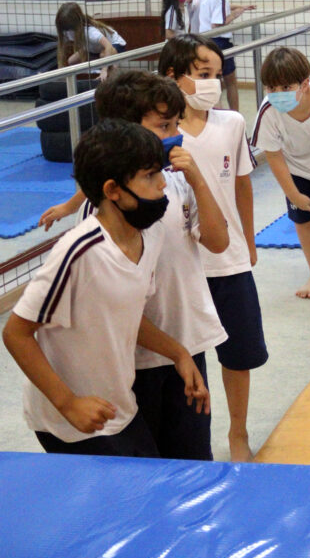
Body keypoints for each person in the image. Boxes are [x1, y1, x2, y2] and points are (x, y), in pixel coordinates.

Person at [36, 72, 229, 460]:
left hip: (184, 344)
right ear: (126, 131)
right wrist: (66, 399)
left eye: (176, 125)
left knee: (193, 459)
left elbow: (218, 241)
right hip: (134, 359)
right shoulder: (104, 217)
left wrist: (197, 179)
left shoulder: (171, 183)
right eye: (164, 126)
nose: (176, 136)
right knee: (145, 466)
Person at [2, 119, 209, 456]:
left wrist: (179, 354)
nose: (162, 183)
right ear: (113, 190)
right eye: (149, 176)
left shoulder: (150, 234)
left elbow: (127, 313)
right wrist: (68, 403)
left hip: (119, 407)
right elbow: (16, 333)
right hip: (71, 422)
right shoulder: (78, 251)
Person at [159, 34, 267, 462]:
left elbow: (242, 186)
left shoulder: (232, 124)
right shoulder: (161, 133)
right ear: (174, 75)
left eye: (217, 75)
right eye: (204, 74)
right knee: (184, 357)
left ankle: (238, 432)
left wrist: (249, 243)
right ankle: (190, 439)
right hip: (181, 263)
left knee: (238, 354)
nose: (212, 83)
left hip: (229, 259)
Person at [253, 47, 310, 300]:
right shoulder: (268, 111)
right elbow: (273, 156)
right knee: (303, 221)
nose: (277, 94)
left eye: (285, 87)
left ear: (304, 84)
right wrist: (293, 193)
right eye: (271, 88)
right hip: (296, 169)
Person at [197, 0, 256, 112]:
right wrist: (235, 14)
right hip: (220, 43)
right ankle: (235, 114)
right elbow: (217, 24)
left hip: (205, 42)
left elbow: (221, 8)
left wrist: (240, 7)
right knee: (231, 83)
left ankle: (215, 113)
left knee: (213, 81)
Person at [55, 2, 125, 68]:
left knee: (103, 56)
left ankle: (113, 67)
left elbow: (108, 46)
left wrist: (105, 69)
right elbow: (61, 50)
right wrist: (60, 67)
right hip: (94, 49)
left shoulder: (90, 32)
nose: (67, 32)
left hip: (115, 44)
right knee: (71, 61)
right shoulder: (67, 29)